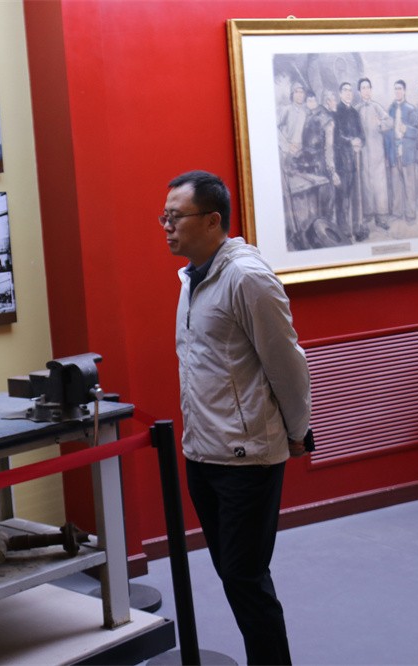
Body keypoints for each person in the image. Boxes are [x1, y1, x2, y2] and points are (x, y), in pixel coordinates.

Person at [161, 170, 311, 666]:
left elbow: (287, 363)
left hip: (248, 458)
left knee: (245, 578)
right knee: (233, 574)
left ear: (212, 220)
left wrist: (298, 431)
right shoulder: (191, 278)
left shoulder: (247, 278)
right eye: (164, 217)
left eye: (176, 216)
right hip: (203, 452)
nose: (167, 226)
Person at [356, 78, 393, 233]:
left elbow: (389, 122)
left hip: (377, 152)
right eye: (363, 88)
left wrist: (380, 125)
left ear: (371, 90)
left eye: (368, 88)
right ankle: (367, 215)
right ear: (359, 91)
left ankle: (381, 217)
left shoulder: (377, 107)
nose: (366, 91)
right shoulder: (356, 109)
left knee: (379, 185)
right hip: (363, 153)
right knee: (365, 184)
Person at [333, 82, 364, 242]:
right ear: (340, 93)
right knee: (343, 195)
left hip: (355, 160)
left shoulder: (355, 112)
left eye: (350, 91)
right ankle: (344, 230)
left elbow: (362, 134)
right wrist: (351, 141)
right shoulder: (336, 112)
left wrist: (360, 141)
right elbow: (336, 137)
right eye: (345, 90)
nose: (348, 93)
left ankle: (357, 228)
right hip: (341, 161)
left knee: (355, 195)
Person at [386, 79, 418, 223]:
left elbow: (417, 132)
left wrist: (406, 129)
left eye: (400, 88)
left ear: (404, 91)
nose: (397, 91)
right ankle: (397, 213)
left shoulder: (411, 109)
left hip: (407, 154)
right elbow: (387, 133)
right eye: (395, 89)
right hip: (394, 153)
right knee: (396, 185)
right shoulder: (390, 109)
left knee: (409, 186)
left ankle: (411, 215)